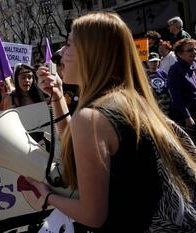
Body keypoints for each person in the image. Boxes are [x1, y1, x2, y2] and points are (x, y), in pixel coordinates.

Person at [28, 12, 196, 232]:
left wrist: (46, 195)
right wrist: (58, 97)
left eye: (69, 44)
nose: (61, 54)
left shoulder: (91, 118)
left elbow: (92, 216)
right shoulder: (130, 101)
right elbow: (77, 147)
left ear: (92, 53)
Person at [167, 38, 196, 137]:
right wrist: (187, 116)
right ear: (179, 54)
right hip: (185, 118)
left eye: (194, 49)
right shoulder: (175, 70)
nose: (194, 52)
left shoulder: (193, 66)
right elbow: (176, 97)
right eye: (190, 50)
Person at [146, 52, 171, 116]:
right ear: (148, 62)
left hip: (165, 103)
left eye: (156, 61)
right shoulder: (145, 74)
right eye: (151, 62)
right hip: (153, 102)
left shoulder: (162, 73)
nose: (154, 64)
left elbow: (168, 85)